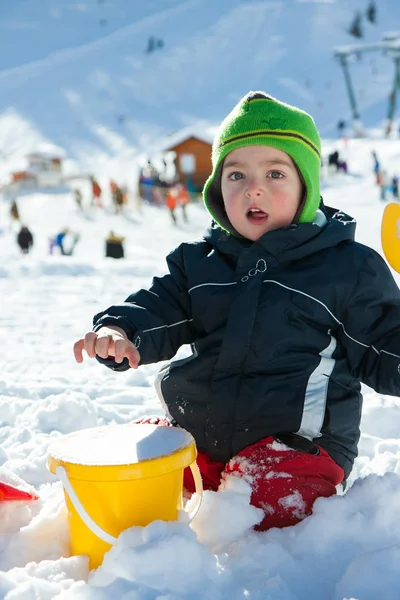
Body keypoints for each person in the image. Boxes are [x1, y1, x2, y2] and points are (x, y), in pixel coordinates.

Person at [73, 91, 400, 532]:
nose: (254, 187)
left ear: (307, 185)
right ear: (217, 190)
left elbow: (382, 345)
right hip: (202, 437)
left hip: (298, 450)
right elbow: (158, 306)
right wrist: (122, 328)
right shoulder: (199, 262)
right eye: (236, 174)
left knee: (261, 498)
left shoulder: (346, 269)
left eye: (275, 172)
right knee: (143, 468)